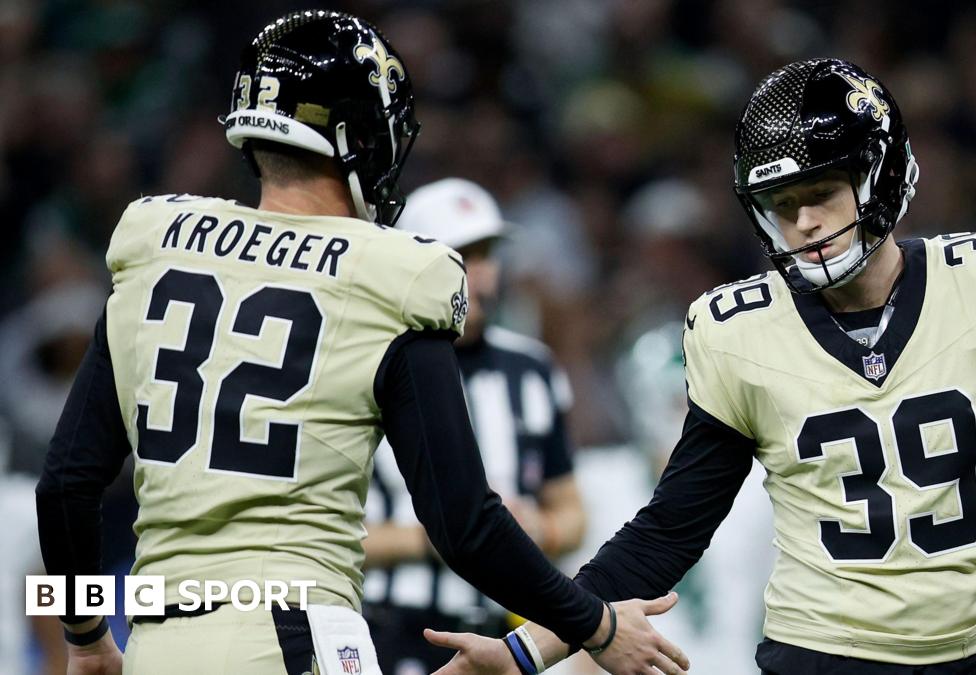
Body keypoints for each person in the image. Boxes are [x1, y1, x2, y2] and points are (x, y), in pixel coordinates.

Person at [425, 58, 976, 675]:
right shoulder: (740, 332)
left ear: (881, 176)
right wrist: (528, 650)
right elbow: (667, 532)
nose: (802, 223)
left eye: (821, 194)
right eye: (782, 204)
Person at [33, 10, 686, 675]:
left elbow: (64, 484)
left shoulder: (154, 243)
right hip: (293, 631)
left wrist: (86, 636)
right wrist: (596, 624)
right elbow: (463, 521)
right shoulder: (394, 273)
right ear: (358, 139)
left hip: (158, 639)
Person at [361, 178, 589, 673]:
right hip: (391, 628)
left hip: (502, 636)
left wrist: (537, 530)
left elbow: (572, 512)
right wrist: (447, 535)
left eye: (487, 255)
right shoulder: (367, 361)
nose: (481, 278)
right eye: (462, 256)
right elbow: (326, 531)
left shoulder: (531, 368)